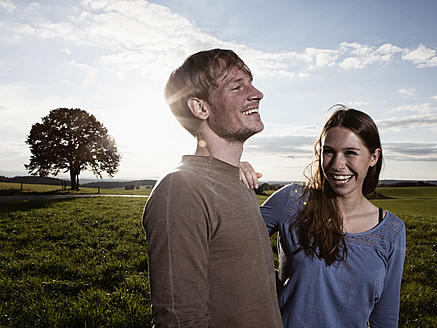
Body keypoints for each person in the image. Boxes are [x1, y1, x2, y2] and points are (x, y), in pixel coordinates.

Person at [142, 49, 283, 327]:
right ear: (201, 108)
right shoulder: (181, 190)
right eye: (237, 86)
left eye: (250, 82)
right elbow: (180, 320)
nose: (257, 93)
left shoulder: (239, 180)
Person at [242, 104, 406, 327]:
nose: (338, 165)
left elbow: (385, 319)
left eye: (350, 153)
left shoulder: (391, 231)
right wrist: (229, 175)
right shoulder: (292, 201)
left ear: (373, 157)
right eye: (329, 151)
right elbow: (227, 242)